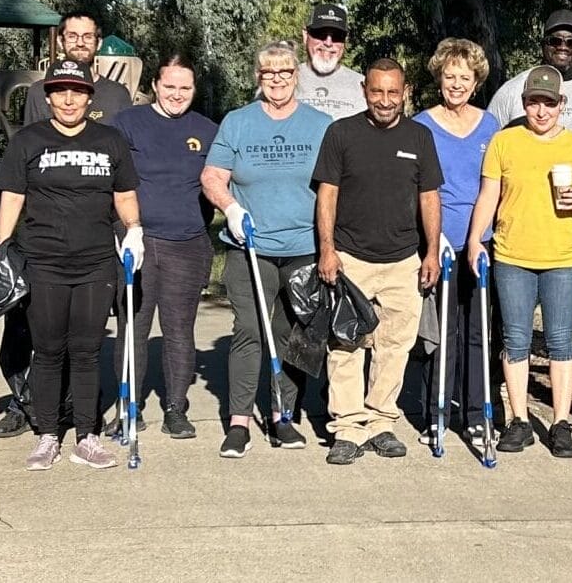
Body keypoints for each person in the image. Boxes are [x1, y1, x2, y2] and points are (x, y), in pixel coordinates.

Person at [0, 60, 143, 470]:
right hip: (44, 262)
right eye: (60, 91)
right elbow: (12, 198)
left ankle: (87, 436)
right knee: (48, 350)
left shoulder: (109, 140)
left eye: (77, 91)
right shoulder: (28, 141)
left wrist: (134, 230)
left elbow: (125, 194)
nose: (69, 98)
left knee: (86, 350)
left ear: (89, 95)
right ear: (49, 96)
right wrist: (2, 250)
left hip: (96, 263)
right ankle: (46, 436)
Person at [486, 9, 572, 427]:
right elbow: (490, 140)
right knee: (515, 308)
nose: (563, 49)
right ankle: (510, 391)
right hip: (523, 211)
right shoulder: (515, 90)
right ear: (543, 43)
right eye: (555, 42)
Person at [201, 41, 333, 457]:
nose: (276, 80)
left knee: (291, 334)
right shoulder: (238, 122)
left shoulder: (320, 124)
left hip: (303, 248)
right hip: (250, 246)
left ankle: (283, 418)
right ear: (257, 77)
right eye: (268, 73)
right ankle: (239, 422)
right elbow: (212, 176)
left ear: (297, 76)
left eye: (285, 73)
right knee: (249, 331)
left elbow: (332, 187)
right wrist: (231, 207)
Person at [313, 58, 444, 465]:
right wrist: (327, 249)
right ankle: (348, 428)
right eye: (376, 91)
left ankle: (381, 421)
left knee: (395, 346)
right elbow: (327, 195)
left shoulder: (420, 136)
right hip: (351, 257)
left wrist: (432, 252)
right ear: (364, 91)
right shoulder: (341, 134)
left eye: (392, 92)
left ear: (404, 92)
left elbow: (429, 197)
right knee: (346, 344)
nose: (384, 100)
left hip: (404, 260)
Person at [468, 66, 572, 458]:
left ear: (562, 104)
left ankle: (560, 422)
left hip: (562, 257)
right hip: (512, 255)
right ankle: (519, 419)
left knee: (560, 341)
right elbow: (489, 195)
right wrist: (476, 239)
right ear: (523, 103)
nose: (540, 111)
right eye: (532, 102)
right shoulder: (504, 143)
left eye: (548, 103)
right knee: (515, 339)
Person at [108, 54, 218, 440]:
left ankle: (176, 408)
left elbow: (220, 180)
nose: (176, 94)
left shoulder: (206, 129)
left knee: (178, 330)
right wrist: (127, 229)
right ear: (155, 85)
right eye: (169, 86)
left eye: (184, 88)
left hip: (187, 243)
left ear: (194, 90)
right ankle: (129, 408)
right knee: (133, 328)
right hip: (137, 240)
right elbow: (114, 181)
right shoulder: (127, 123)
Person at [414, 39, 500, 448]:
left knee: (477, 331)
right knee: (441, 331)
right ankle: (437, 411)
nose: (457, 84)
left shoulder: (490, 126)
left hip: (480, 243)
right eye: (450, 76)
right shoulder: (422, 125)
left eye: (465, 77)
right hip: (438, 243)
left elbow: (496, 185)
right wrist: (432, 242)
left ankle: (476, 411)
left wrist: (481, 237)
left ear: (476, 81)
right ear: (439, 78)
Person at [22, 12, 133, 124]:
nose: (80, 43)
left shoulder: (117, 94)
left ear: (99, 43)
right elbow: (31, 138)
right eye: (72, 36)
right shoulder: (39, 92)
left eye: (88, 37)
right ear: (60, 41)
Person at [296, 3, 367, 119]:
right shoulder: (283, 80)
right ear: (305, 35)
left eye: (337, 36)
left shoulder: (363, 85)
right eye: (320, 34)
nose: (328, 43)